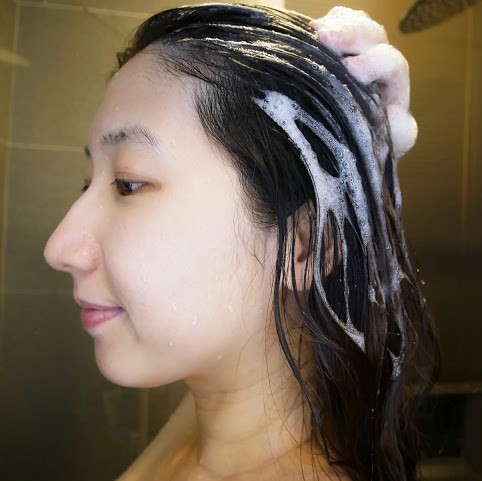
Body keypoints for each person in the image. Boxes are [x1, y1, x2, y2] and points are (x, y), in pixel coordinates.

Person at [43, 4, 440, 481]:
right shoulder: (210, 429)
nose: (59, 248)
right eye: (87, 183)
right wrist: (359, 149)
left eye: (128, 183)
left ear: (305, 245)